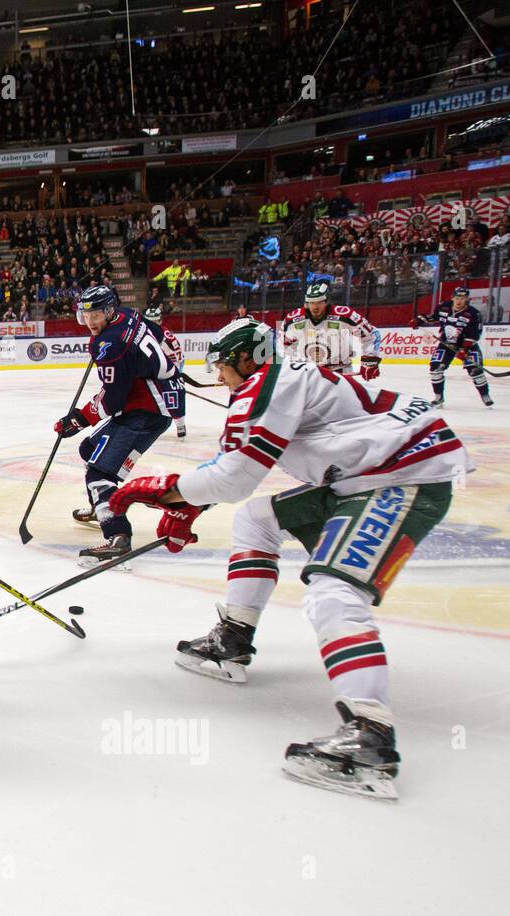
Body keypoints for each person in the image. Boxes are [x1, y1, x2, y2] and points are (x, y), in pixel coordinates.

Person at [110, 319, 471, 800]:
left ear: (246, 358)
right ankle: (233, 638)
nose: (218, 378)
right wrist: (188, 503)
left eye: (222, 367)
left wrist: (164, 489)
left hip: (403, 478)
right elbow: (235, 474)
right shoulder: (275, 381)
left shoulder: (269, 383)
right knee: (257, 519)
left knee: (335, 591)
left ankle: (369, 738)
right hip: (366, 475)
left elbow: (233, 478)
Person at [54, 286, 182, 561]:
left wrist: (79, 418)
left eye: (96, 315)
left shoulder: (109, 343)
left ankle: (117, 534)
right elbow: (160, 339)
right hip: (153, 403)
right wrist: (166, 372)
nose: (90, 322)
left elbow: (113, 400)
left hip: (145, 412)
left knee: (100, 474)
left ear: (110, 311)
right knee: (90, 450)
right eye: (86, 316)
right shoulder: (128, 316)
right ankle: (102, 504)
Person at [280, 282, 382, 378]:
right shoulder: (292, 319)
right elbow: (283, 345)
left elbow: (372, 334)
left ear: (327, 301)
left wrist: (370, 361)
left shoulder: (345, 315)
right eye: (311, 303)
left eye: (319, 302)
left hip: (339, 370)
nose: (315, 307)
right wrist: (290, 367)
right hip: (309, 373)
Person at [413, 285, 493, 407]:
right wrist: (419, 320)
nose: (459, 300)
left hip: (467, 346)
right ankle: (438, 397)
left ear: (467, 299)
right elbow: (433, 317)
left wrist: (464, 350)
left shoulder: (473, 314)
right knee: (435, 368)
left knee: (476, 371)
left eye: (463, 298)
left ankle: (485, 395)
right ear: (452, 297)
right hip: (446, 344)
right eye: (457, 297)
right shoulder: (443, 307)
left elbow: (475, 334)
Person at [144, 305, 188, 439]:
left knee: (173, 394)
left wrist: (175, 373)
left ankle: (180, 424)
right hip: (154, 369)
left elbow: (178, 356)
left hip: (169, 369)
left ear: (159, 321)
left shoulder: (164, 337)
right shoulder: (144, 334)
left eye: (154, 322)